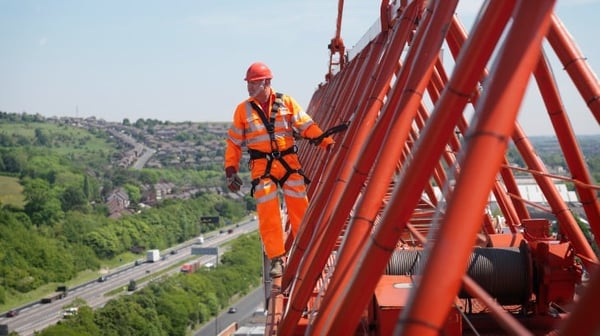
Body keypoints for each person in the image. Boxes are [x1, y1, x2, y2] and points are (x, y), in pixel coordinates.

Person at [224, 61, 334, 278]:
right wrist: (230, 169)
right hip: (263, 168)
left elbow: (307, 126)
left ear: (266, 82)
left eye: (254, 83)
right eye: (248, 84)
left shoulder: (286, 102)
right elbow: (234, 143)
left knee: (300, 207)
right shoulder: (243, 110)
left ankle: (307, 252)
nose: (249, 88)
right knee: (268, 212)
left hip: (288, 165)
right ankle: (277, 258)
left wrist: (326, 142)